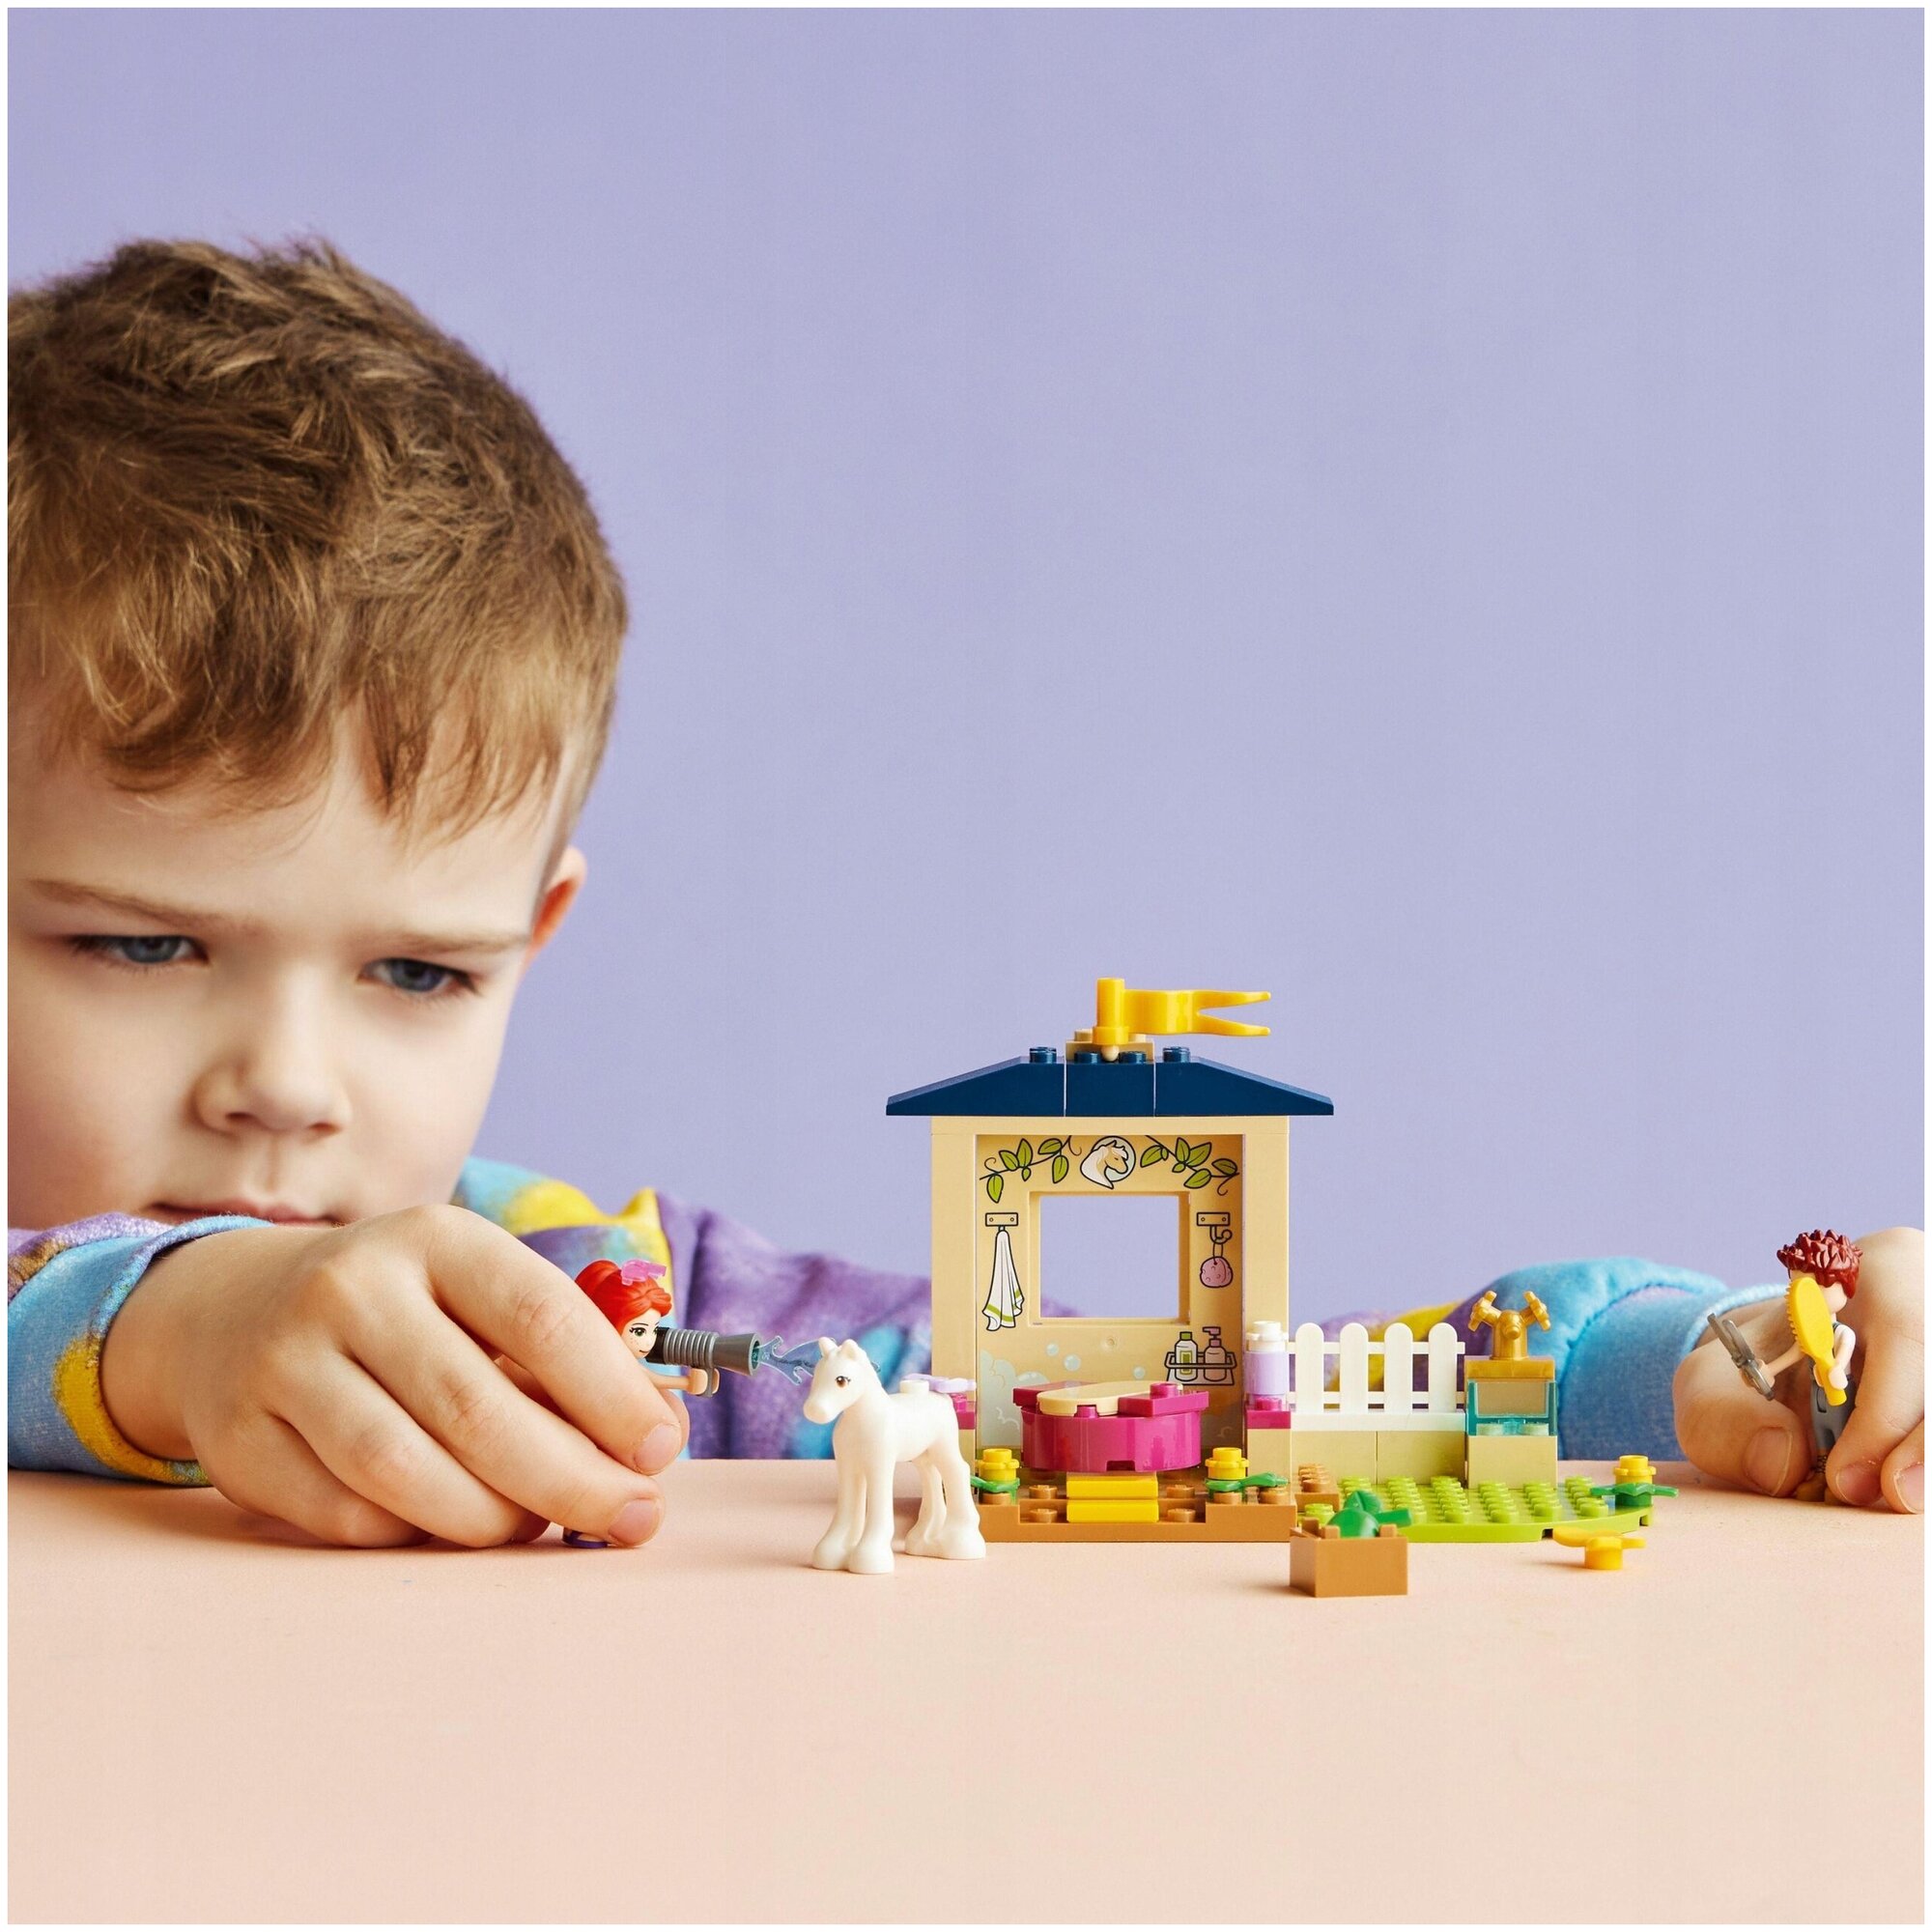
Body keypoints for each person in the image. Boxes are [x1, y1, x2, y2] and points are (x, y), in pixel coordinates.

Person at [9, 240, 1921, 1551]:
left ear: (535, 939)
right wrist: (177, 1324)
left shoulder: (638, 1314)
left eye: (420, 973)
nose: (286, 1085)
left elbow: (1225, 1401)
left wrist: (1714, 1366)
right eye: (137, 944)